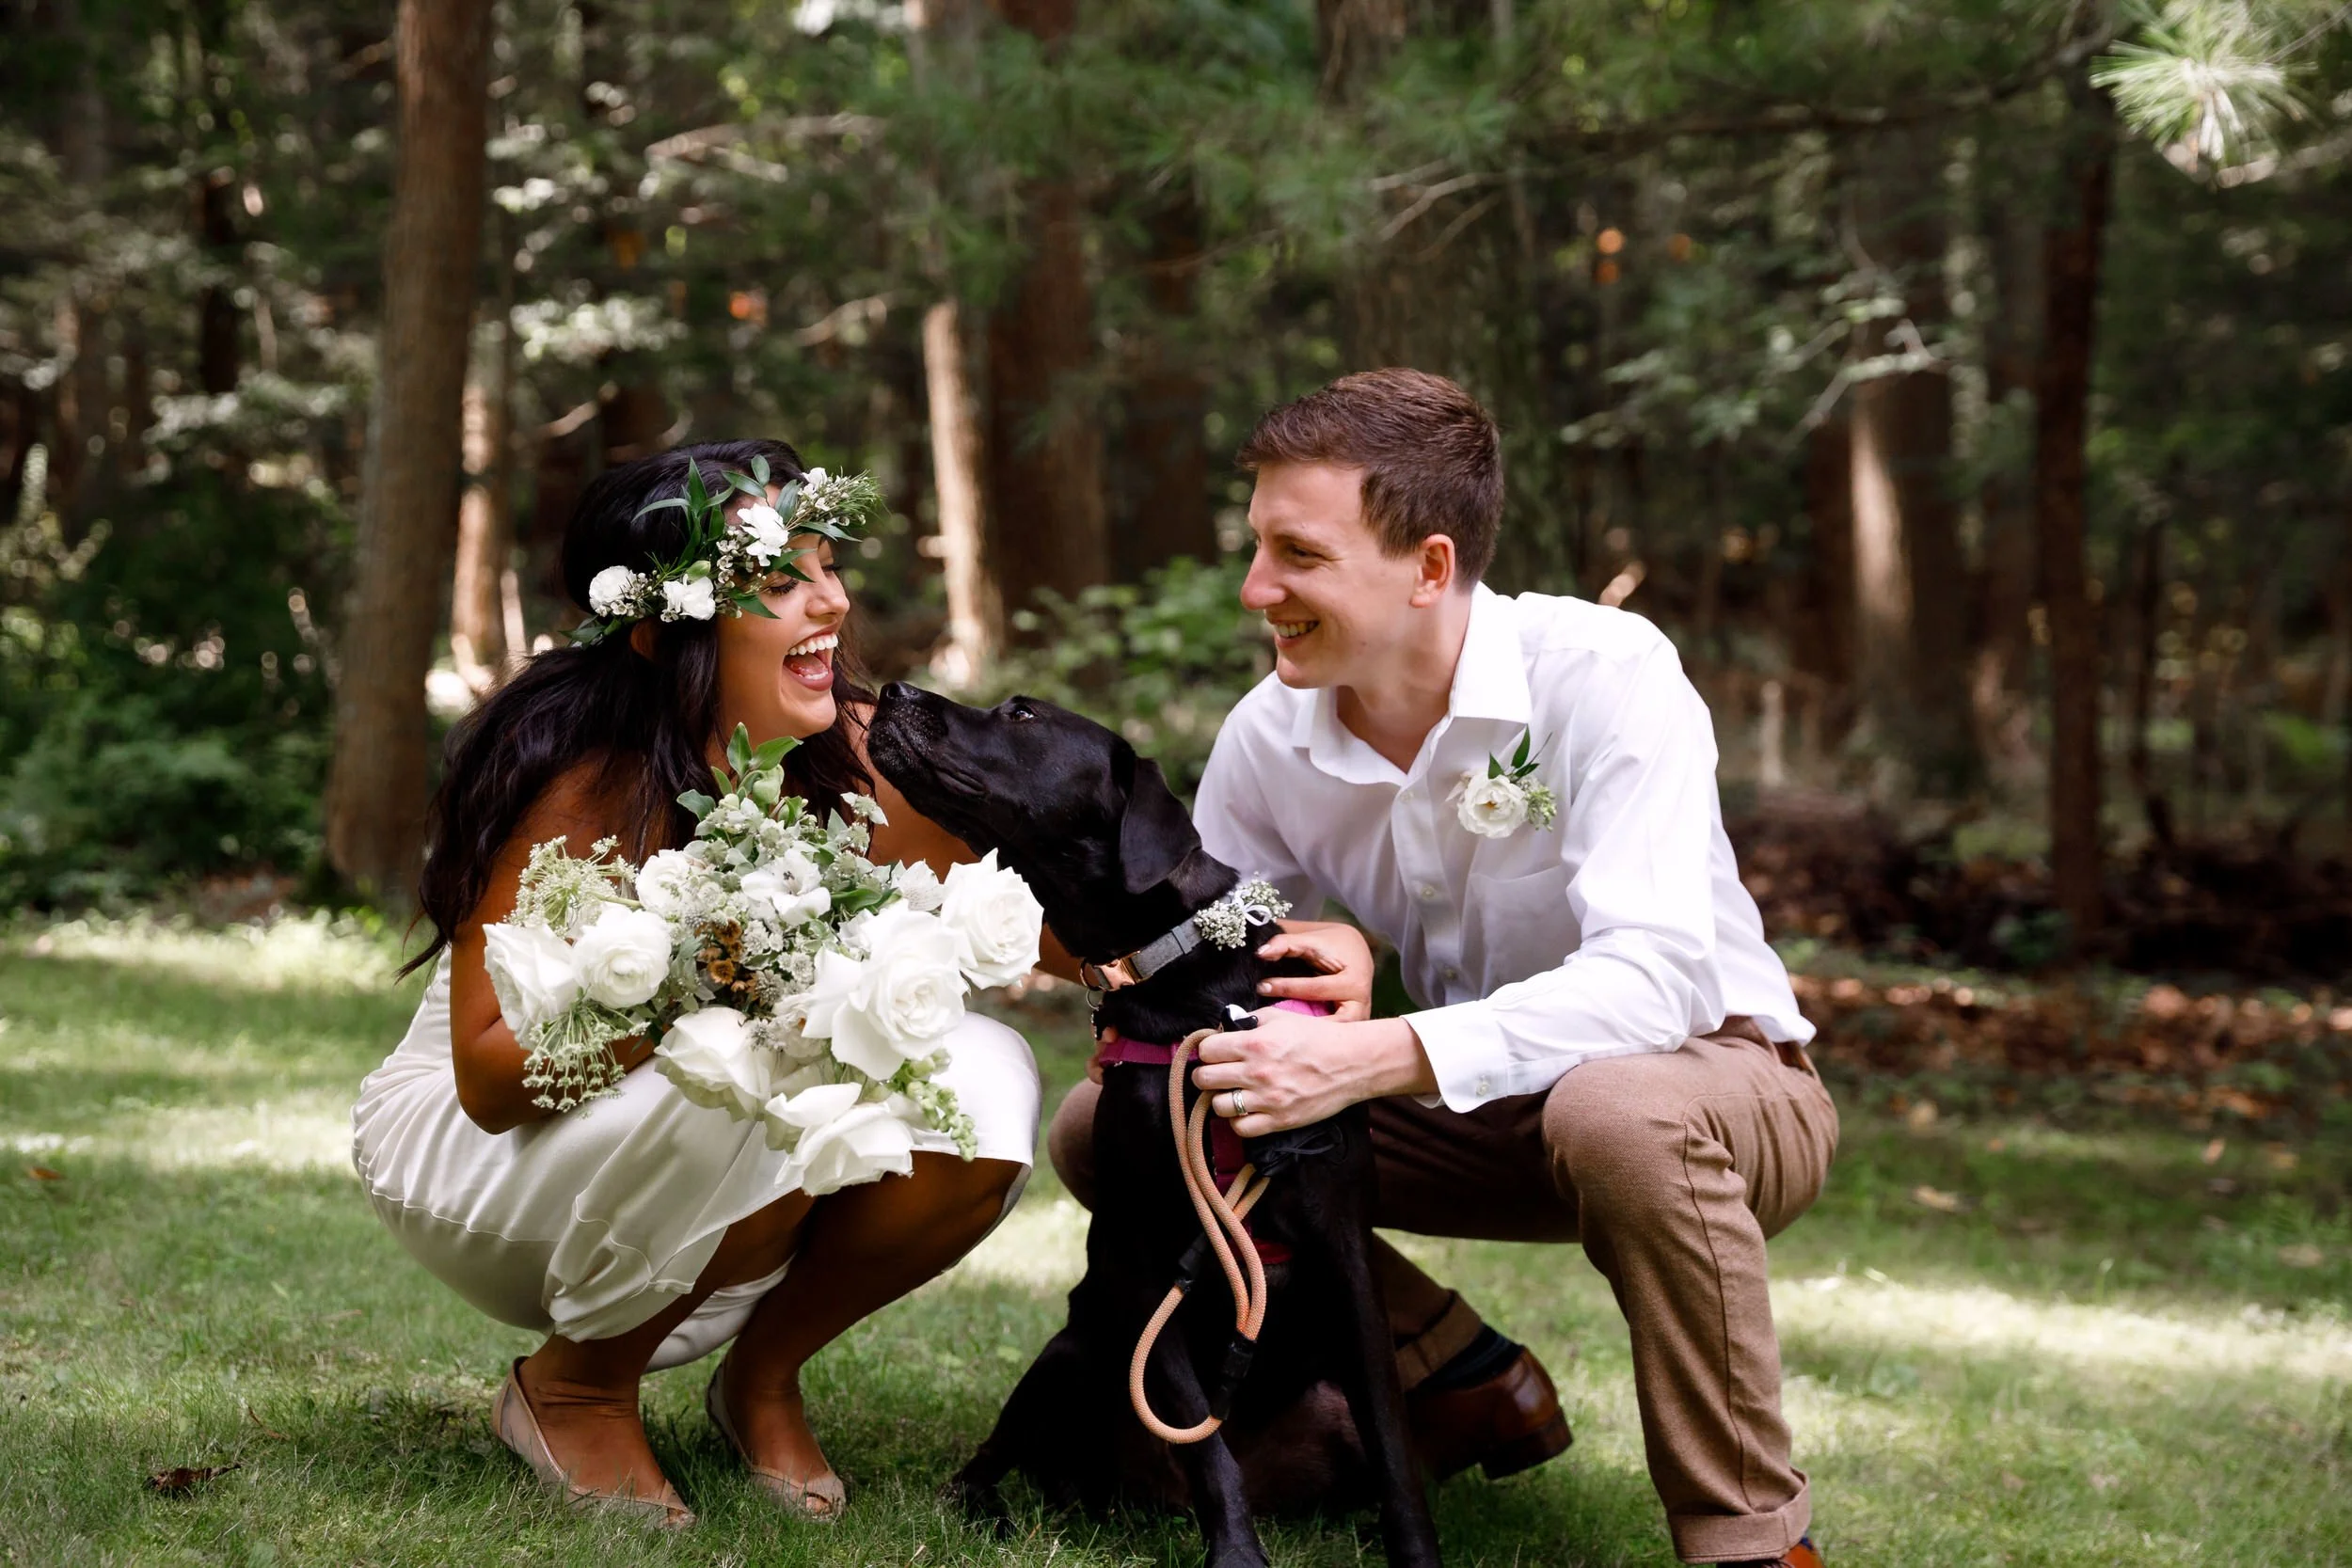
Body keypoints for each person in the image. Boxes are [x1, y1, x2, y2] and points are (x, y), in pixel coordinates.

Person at [1047, 372, 1836, 1568]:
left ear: (1427, 565)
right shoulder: (1271, 731)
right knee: (1122, 1120)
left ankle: (1749, 1541)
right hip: (1459, 1102)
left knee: (1616, 1109)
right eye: (1256, 546)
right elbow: (1208, 970)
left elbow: (1659, 976)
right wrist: (1012, 914)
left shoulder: (1605, 672)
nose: (1257, 589)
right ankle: (1454, 1370)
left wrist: (1376, 1047)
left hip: (1710, 1084)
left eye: (1296, 554)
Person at [352, 440, 1041, 1527]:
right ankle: (575, 1386)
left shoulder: (846, 754)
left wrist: (1147, 954)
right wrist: (717, 978)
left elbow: (1045, 889)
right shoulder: (587, 776)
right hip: (475, 1150)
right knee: (761, 1060)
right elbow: (487, 1078)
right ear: (663, 628)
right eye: (781, 581)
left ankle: (761, 1373)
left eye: (825, 563)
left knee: (988, 1073)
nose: (831, 600)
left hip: (675, 1124)